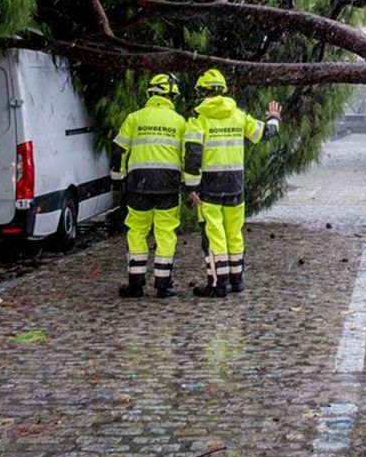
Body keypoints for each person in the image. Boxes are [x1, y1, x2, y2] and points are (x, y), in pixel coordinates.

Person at [182, 69, 280, 298]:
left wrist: (191, 187)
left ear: (201, 92)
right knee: (234, 233)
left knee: (214, 235)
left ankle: (217, 285)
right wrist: (274, 118)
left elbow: (192, 156)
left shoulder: (198, 119)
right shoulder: (238, 115)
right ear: (223, 90)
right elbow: (265, 134)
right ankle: (237, 281)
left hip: (210, 187)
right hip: (235, 184)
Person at [113, 73, 187, 299]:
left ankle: (135, 285)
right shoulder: (179, 122)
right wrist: (189, 183)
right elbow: (188, 155)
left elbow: (119, 151)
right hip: (169, 186)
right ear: (171, 96)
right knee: (165, 233)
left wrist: (117, 179)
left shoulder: (134, 118)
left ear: (151, 93)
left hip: (139, 186)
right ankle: (163, 286)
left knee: (137, 231)